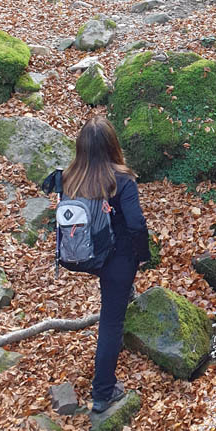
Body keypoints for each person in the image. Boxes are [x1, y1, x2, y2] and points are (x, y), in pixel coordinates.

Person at [44, 115, 150, 413]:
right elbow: (136, 224)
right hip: (115, 259)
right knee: (111, 321)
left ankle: (123, 293)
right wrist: (142, 256)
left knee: (115, 294)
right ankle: (103, 392)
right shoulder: (122, 179)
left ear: (81, 148)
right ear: (112, 145)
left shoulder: (67, 176)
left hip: (82, 257)